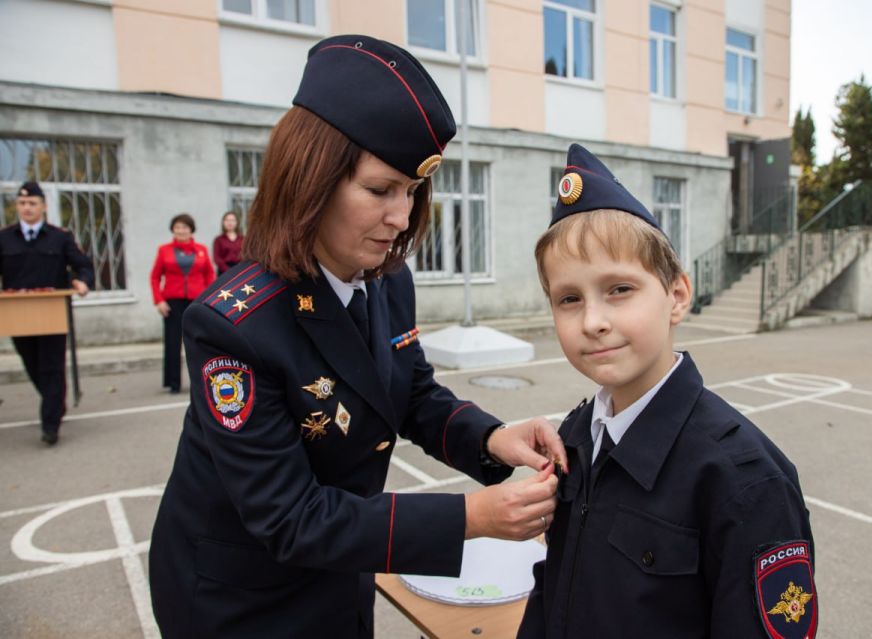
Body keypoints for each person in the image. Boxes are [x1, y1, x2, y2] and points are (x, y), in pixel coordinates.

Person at [148, 34, 566, 639]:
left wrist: (495, 438)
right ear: (309, 180)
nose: (401, 218)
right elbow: (288, 517)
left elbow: (411, 393)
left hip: (341, 569)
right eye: (380, 190)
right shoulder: (234, 326)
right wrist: (469, 518)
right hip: (240, 599)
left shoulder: (387, 281)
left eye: (411, 191)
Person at [517, 144, 817, 639]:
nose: (593, 321)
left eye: (620, 289)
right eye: (568, 299)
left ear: (677, 296)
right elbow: (554, 584)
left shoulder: (745, 483)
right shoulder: (575, 436)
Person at [0, 181, 93, 445]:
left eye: (32, 203)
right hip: (18, 317)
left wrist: (82, 281)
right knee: (33, 367)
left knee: (51, 368)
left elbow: (83, 266)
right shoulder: (5, 238)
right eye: (22, 203)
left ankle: (50, 424)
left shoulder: (59, 237)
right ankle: (55, 402)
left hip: (52, 315)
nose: (27, 208)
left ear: (43, 206)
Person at [149, 213, 215, 393]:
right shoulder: (164, 250)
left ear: (191, 229)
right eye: (177, 227)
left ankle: (202, 381)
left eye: (184, 227)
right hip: (172, 302)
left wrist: (210, 300)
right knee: (172, 343)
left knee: (198, 342)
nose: (181, 231)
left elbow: (209, 275)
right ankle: (173, 382)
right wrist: (159, 300)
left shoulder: (201, 249)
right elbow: (155, 277)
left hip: (196, 302)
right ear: (173, 230)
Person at [213, 210, 244, 275]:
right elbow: (217, 258)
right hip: (224, 271)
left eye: (232, 220)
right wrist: (227, 270)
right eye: (227, 220)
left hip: (240, 270)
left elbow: (246, 255)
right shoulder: (219, 240)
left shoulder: (243, 239)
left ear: (237, 222)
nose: (230, 223)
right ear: (223, 222)